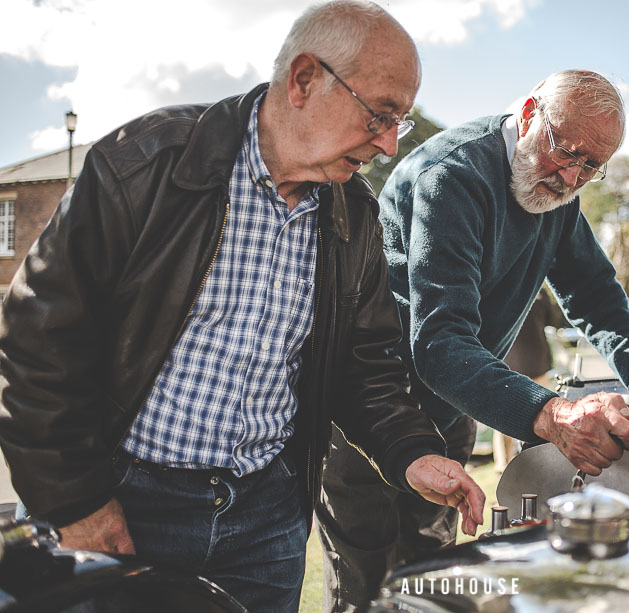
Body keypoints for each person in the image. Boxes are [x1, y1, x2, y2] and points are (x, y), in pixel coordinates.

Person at [0, 2, 486, 612]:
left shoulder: (355, 213)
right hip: (120, 501)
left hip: (266, 526)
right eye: (380, 114)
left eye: (400, 123)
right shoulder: (143, 162)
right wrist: (77, 503)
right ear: (303, 79)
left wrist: (412, 451)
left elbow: (364, 368)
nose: (389, 144)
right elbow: (38, 343)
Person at [317, 69, 629, 613]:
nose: (571, 176)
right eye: (565, 151)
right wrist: (553, 414)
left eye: (591, 166)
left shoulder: (560, 193)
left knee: (432, 582)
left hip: (454, 409)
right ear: (529, 114)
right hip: (372, 414)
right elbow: (439, 342)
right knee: (366, 590)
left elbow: (595, 293)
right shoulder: (451, 175)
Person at [494, 286, 568, 471]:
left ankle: (509, 463)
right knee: (524, 415)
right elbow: (554, 319)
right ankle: (508, 464)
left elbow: (553, 320)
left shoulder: (499, 289)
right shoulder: (538, 291)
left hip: (518, 364)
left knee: (509, 416)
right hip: (523, 364)